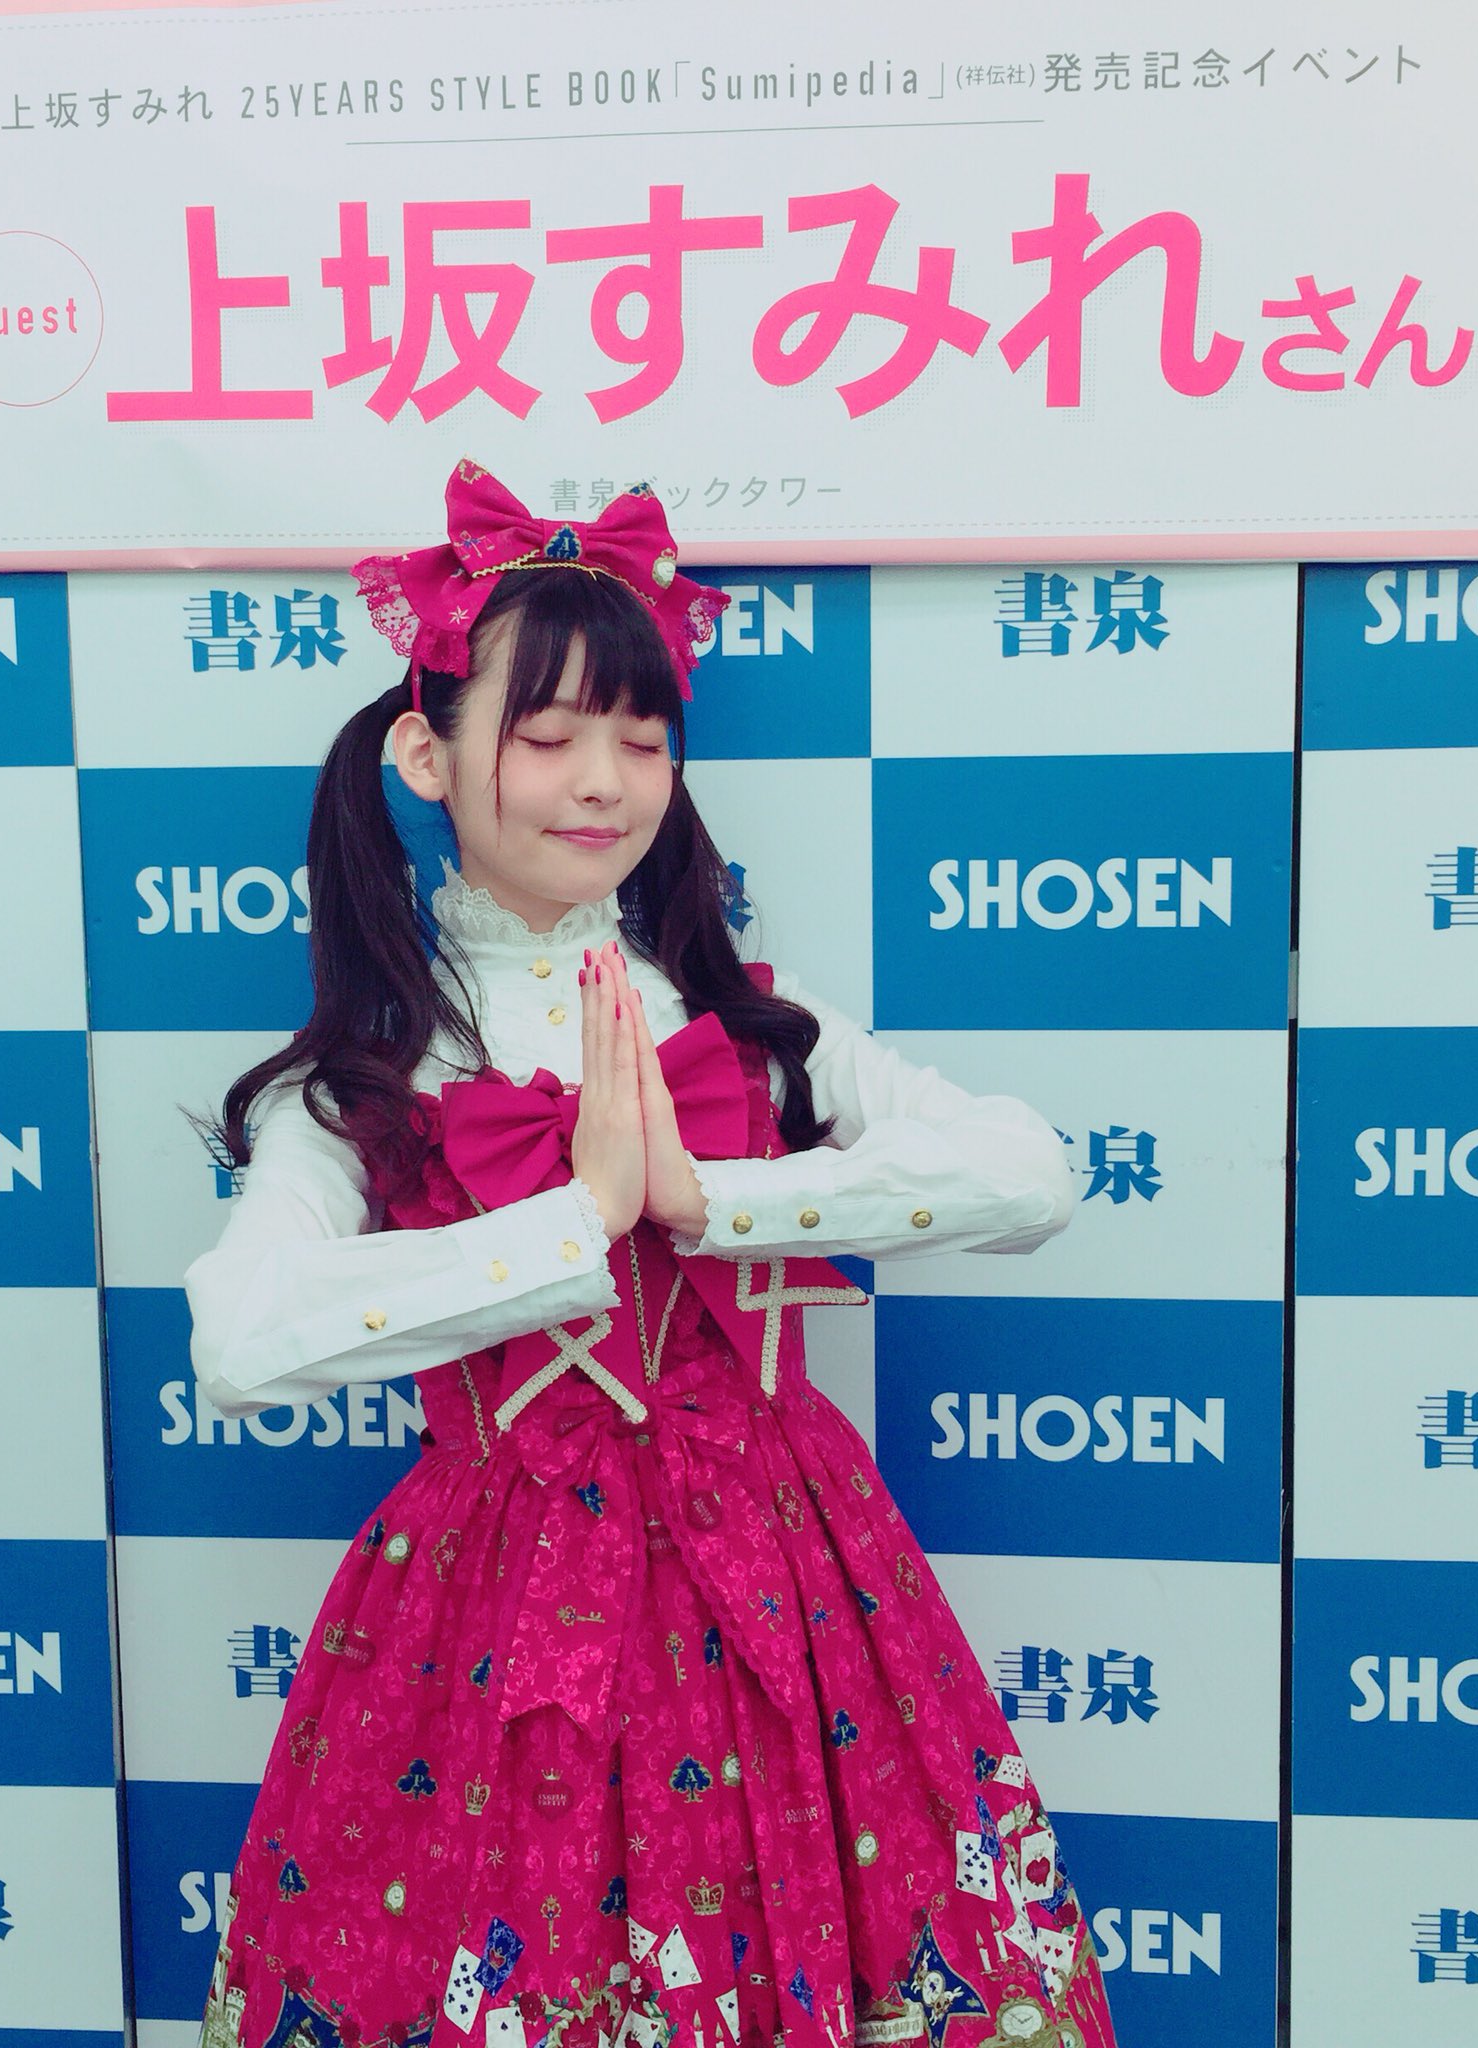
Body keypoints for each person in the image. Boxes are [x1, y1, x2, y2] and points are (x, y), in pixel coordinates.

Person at [183, 458, 1118, 2048]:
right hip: (497, 1610)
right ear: (426, 751)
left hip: (795, 1580)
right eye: (548, 736)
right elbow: (242, 1338)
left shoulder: (754, 1017)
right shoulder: (377, 1072)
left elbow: (1031, 1175)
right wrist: (573, 1223)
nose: (603, 781)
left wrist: (712, 1204)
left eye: (641, 735)